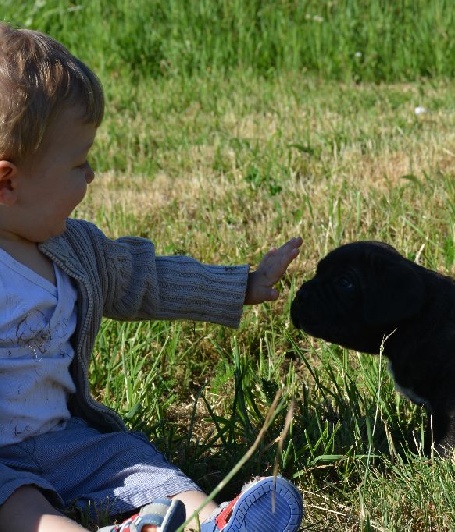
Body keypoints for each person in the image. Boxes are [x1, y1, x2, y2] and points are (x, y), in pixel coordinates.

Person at [0, 22, 303, 532]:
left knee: (132, 459)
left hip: (61, 439)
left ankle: (212, 521)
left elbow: (148, 280)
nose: (91, 176)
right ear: (7, 182)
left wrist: (241, 286)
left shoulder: (75, 249)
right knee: (22, 507)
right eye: (79, 164)